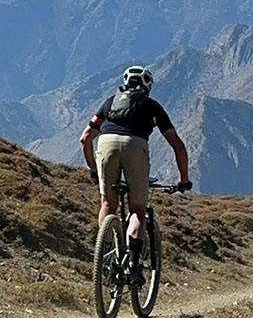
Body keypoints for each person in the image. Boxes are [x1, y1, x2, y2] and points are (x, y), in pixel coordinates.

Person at [80, 66, 191, 280]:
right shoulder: (152, 106)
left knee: (106, 204)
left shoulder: (110, 102)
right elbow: (178, 146)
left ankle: (105, 256)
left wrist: (93, 170)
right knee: (138, 210)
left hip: (105, 144)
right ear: (147, 86)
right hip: (135, 146)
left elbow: (85, 139)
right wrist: (183, 180)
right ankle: (133, 263)